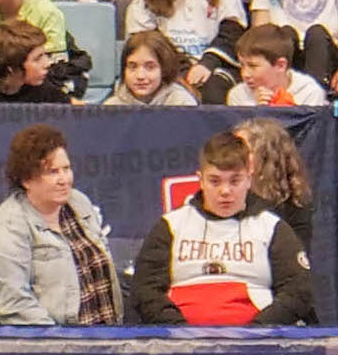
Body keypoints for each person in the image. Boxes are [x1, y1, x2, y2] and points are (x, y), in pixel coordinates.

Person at [133, 124, 311, 323]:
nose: (225, 191)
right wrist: (179, 331)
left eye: (234, 181)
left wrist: (258, 332)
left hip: (257, 344)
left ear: (248, 179)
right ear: (200, 180)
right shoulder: (170, 226)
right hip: (182, 344)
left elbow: (298, 291)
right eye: (215, 181)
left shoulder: (271, 227)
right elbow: (145, 290)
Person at [0, 122, 121, 321]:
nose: (64, 179)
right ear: (27, 180)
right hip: (36, 345)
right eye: (53, 172)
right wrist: (62, 346)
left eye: (66, 168)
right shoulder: (5, 228)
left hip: (100, 339)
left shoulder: (79, 203)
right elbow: (14, 305)